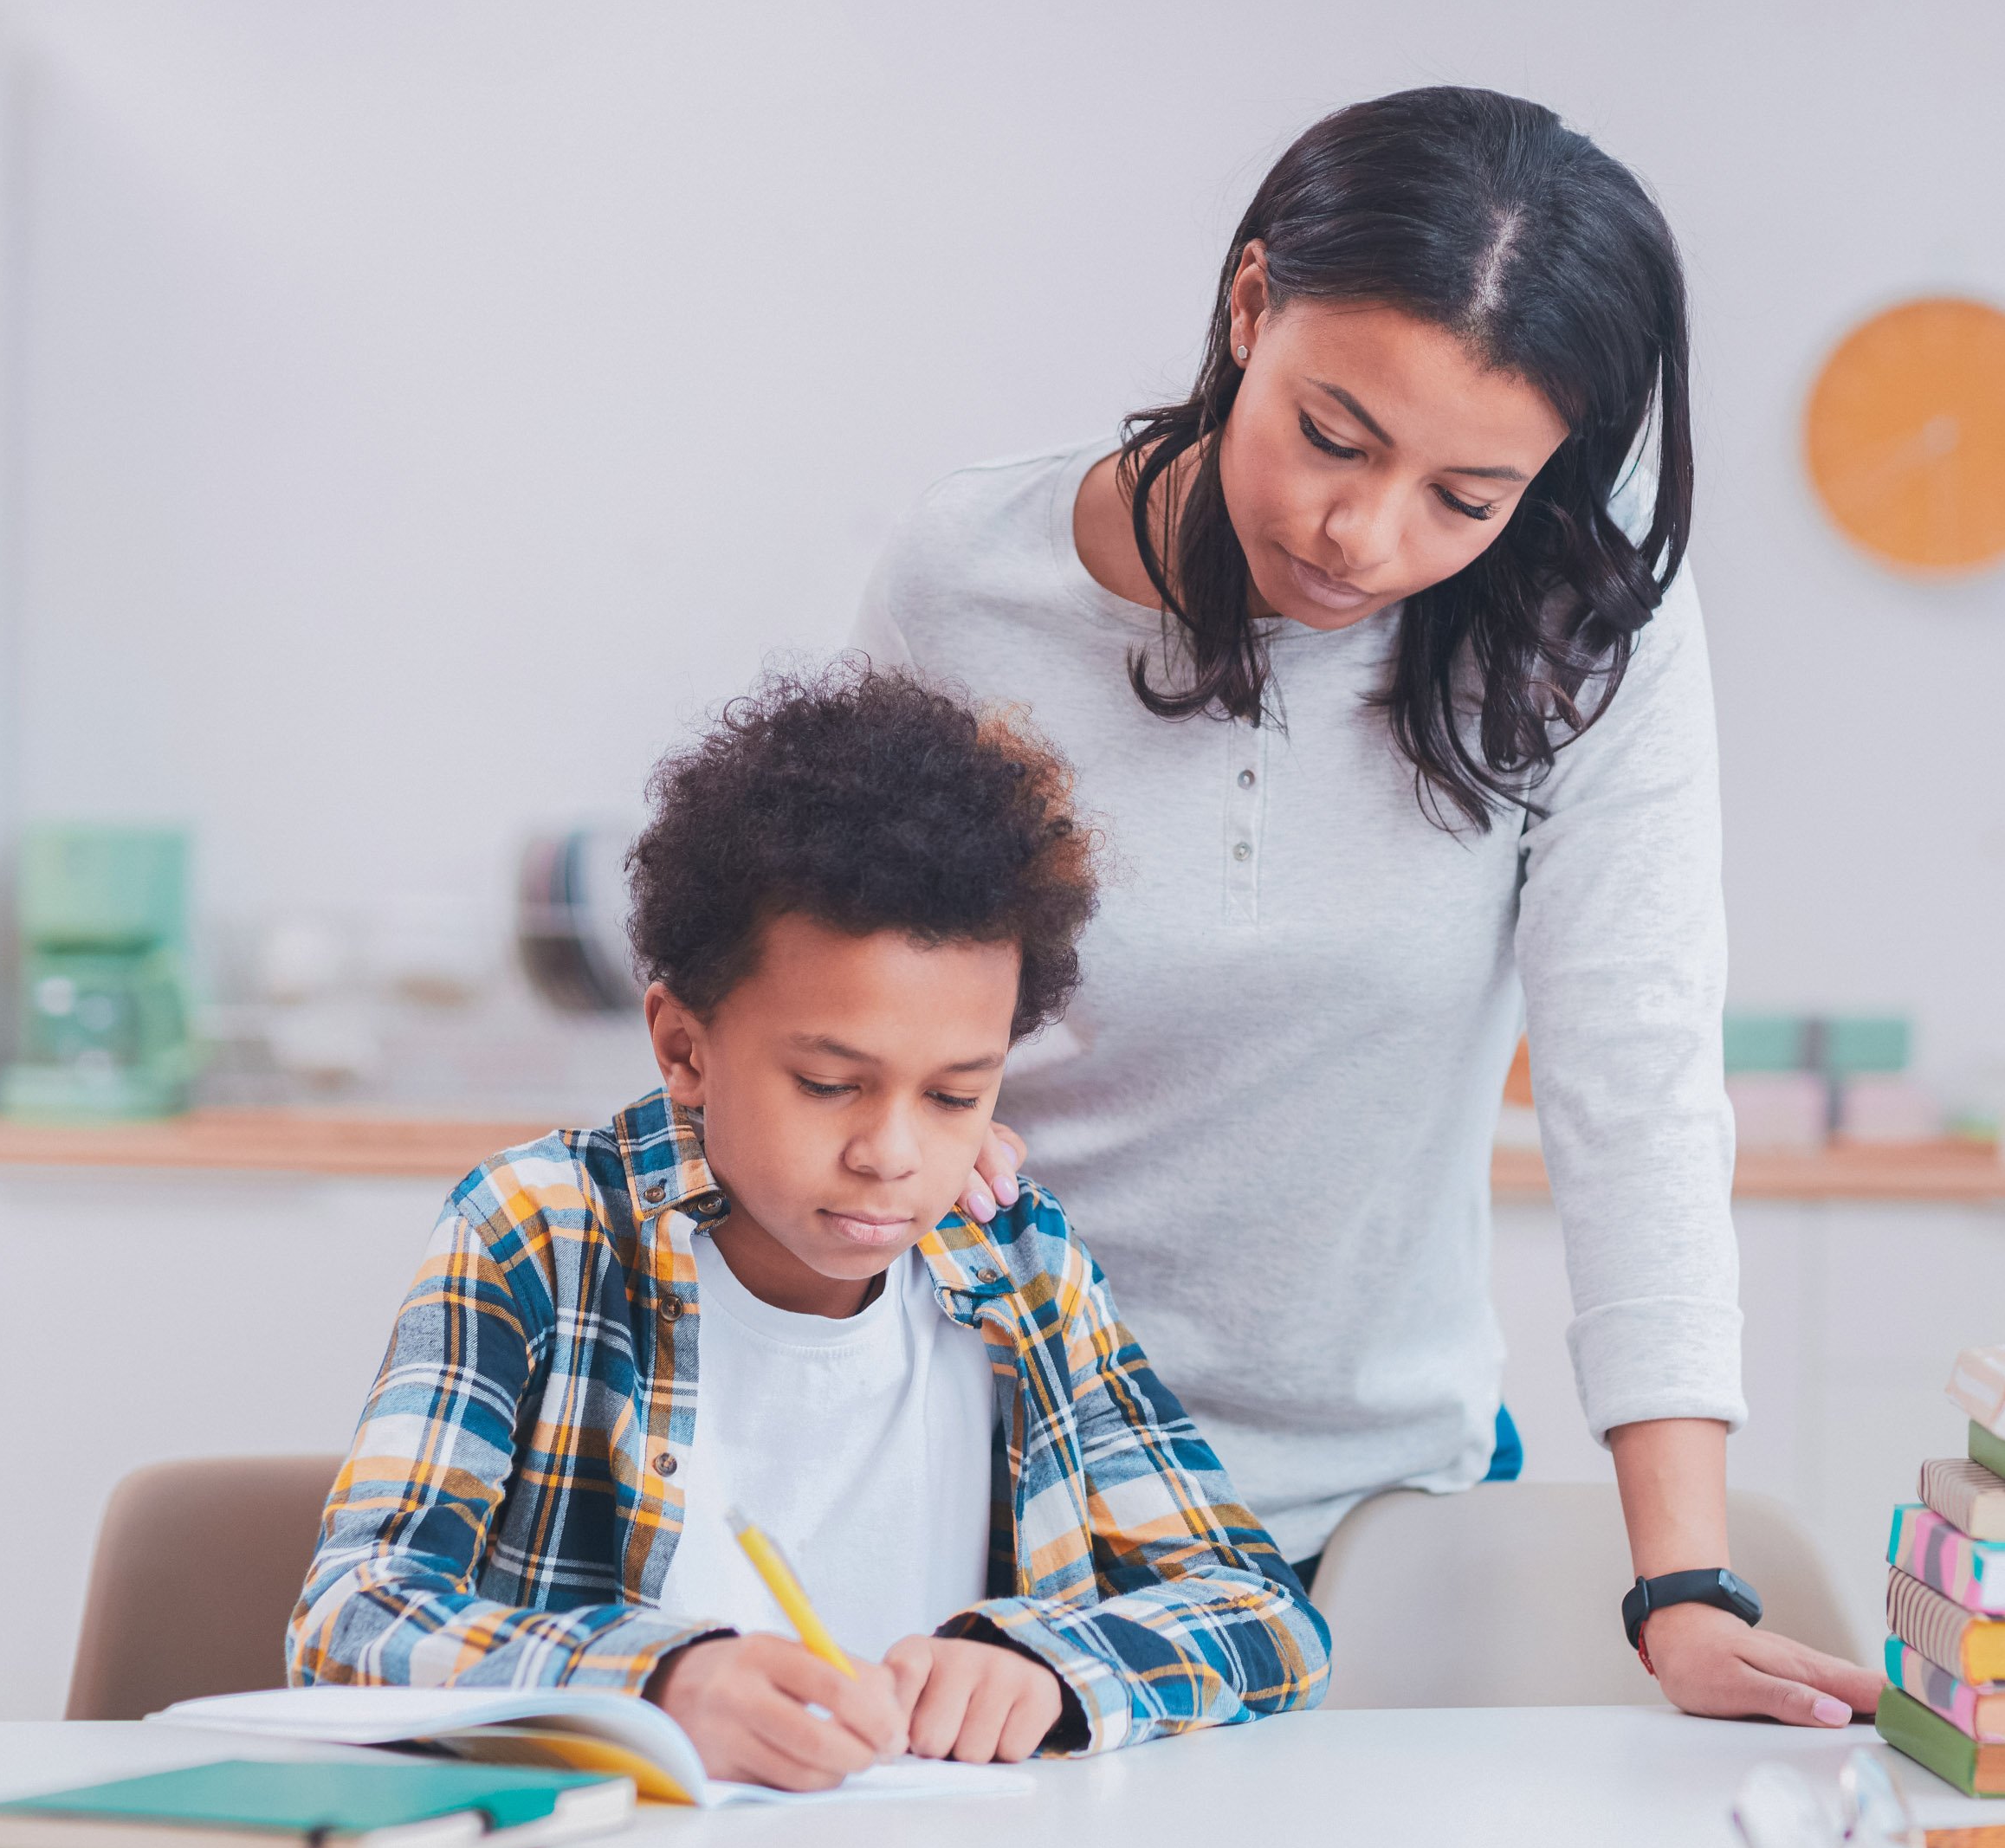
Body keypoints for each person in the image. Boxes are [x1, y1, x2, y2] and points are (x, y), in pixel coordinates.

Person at [858, 86, 1878, 1726]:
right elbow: (839, 998)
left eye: (1465, 499)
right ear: (1250, 305)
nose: (1364, 534)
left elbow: (1636, 1080)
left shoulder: (1587, 636)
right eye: (1333, 434)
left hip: (1384, 1508)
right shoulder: (966, 582)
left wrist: (1682, 1583)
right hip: (965, 1467)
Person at [289, 663, 1329, 1790]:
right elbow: (350, 1619)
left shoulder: (1021, 1262)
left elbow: (1260, 1611)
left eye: (952, 1096)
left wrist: (1055, 1667)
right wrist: (662, 1683)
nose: (892, 1154)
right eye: (831, 1084)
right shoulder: (543, 1233)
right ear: (685, 1048)